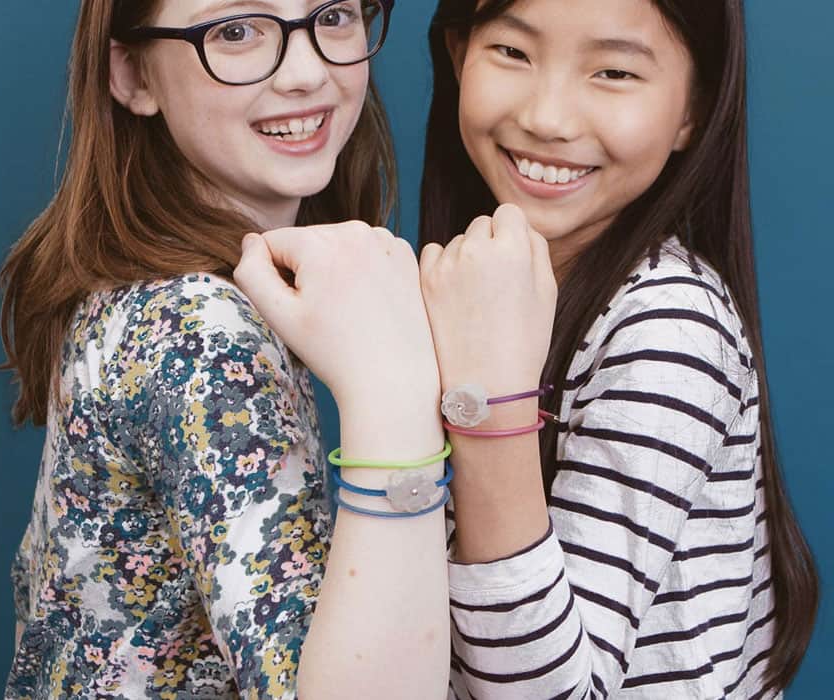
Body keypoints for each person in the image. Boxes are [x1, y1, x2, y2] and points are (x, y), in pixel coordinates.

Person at [236, 0, 819, 696]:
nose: (548, 116)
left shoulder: (668, 322)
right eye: (512, 53)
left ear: (694, 107)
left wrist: (490, 407)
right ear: (457, 54)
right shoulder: (477, 287)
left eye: (613, 72)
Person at [0, 1, 450, 697]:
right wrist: (394, 394)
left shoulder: (169, 289)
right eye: (234, 31)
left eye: (332, 16)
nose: (306, 72)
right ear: (132, 73)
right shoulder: (199, 333)